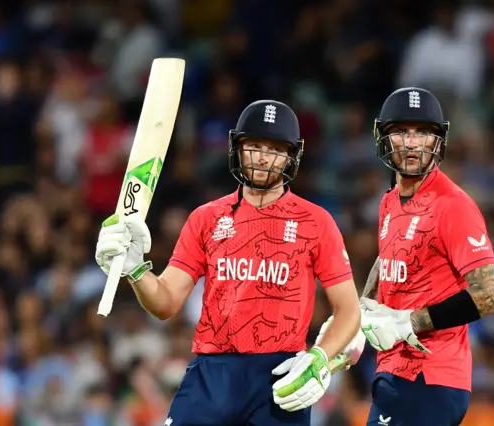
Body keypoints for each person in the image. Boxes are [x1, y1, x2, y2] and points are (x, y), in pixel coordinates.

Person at [95, 99, 362, 426]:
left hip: (279, 375)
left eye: (275, 148)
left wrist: (319, 358)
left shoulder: (316, 221)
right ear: (237, 147)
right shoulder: (206, 218)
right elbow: (165, 303)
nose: (263, 157)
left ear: (292, 155)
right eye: (254, 146)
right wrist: (137, 269)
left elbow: (349, 310)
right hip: (212, 374)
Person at [357, 87, 494, 426]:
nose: (411, 142)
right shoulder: (389, 202)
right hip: (396, 371)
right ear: (383, 138)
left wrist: (408, 322)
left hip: (431, 374)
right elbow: (390, 260)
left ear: (439, 141)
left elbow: (490, 296)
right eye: (402, 132)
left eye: (423, 132)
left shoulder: (453, 204)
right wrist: (358, 314)